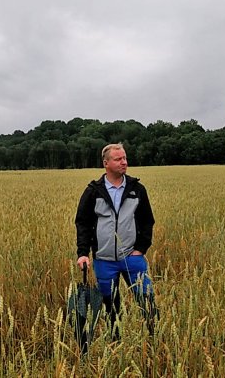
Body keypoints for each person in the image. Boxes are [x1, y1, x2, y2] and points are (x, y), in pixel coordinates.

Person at [75, 143, 156, 338]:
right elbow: (82, 223)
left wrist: (141, 249)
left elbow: (147, 221)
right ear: (106, 163)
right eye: (118, 159)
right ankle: (116, 344)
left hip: (132, 257)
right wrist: (83, 253)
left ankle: (154, 341)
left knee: (147, 302)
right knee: (111, 308)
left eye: (125, 158)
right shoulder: (93, 191)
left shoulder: (137, 189)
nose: (124, 162)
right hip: (104, 260)